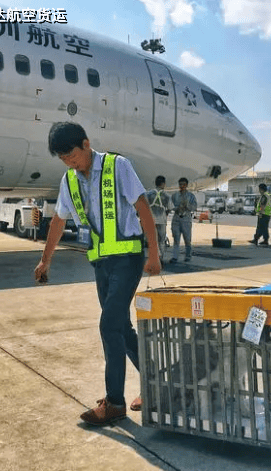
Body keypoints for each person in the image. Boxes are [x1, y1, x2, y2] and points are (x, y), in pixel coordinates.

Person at [34, 122, 161, 426]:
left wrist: (154, 253)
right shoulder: (70, 180)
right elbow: (58, 221)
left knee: (108, 325)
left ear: (86, 144)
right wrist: (45, 260)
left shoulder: (118, 167)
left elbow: (142, 207)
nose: (70, 163)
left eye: (72, 156)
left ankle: (114, 402)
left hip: (128, 259)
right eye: (64, 159)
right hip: (101, 264)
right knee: (120, 328)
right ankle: (156, 385)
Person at [169, 177, 197, 263]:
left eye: (184, 185)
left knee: (187, 239)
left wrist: (187, 206)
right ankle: (175, 257)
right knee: (176, 239)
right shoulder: (175, 195)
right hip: (177, 218)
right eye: (180, 184)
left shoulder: (191, 196)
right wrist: (176, 208)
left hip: (186, 218)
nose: (182, 186)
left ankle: (188, 256)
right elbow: (171, 205)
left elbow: (194, 207)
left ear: (187, 185)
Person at [145, 175, 172, 264]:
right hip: (162, 221)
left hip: (151, 220)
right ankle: (161, 258)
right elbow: (170, 207)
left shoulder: (148, 194)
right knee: (161, 241)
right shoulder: (166, 195)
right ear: (163, 184)